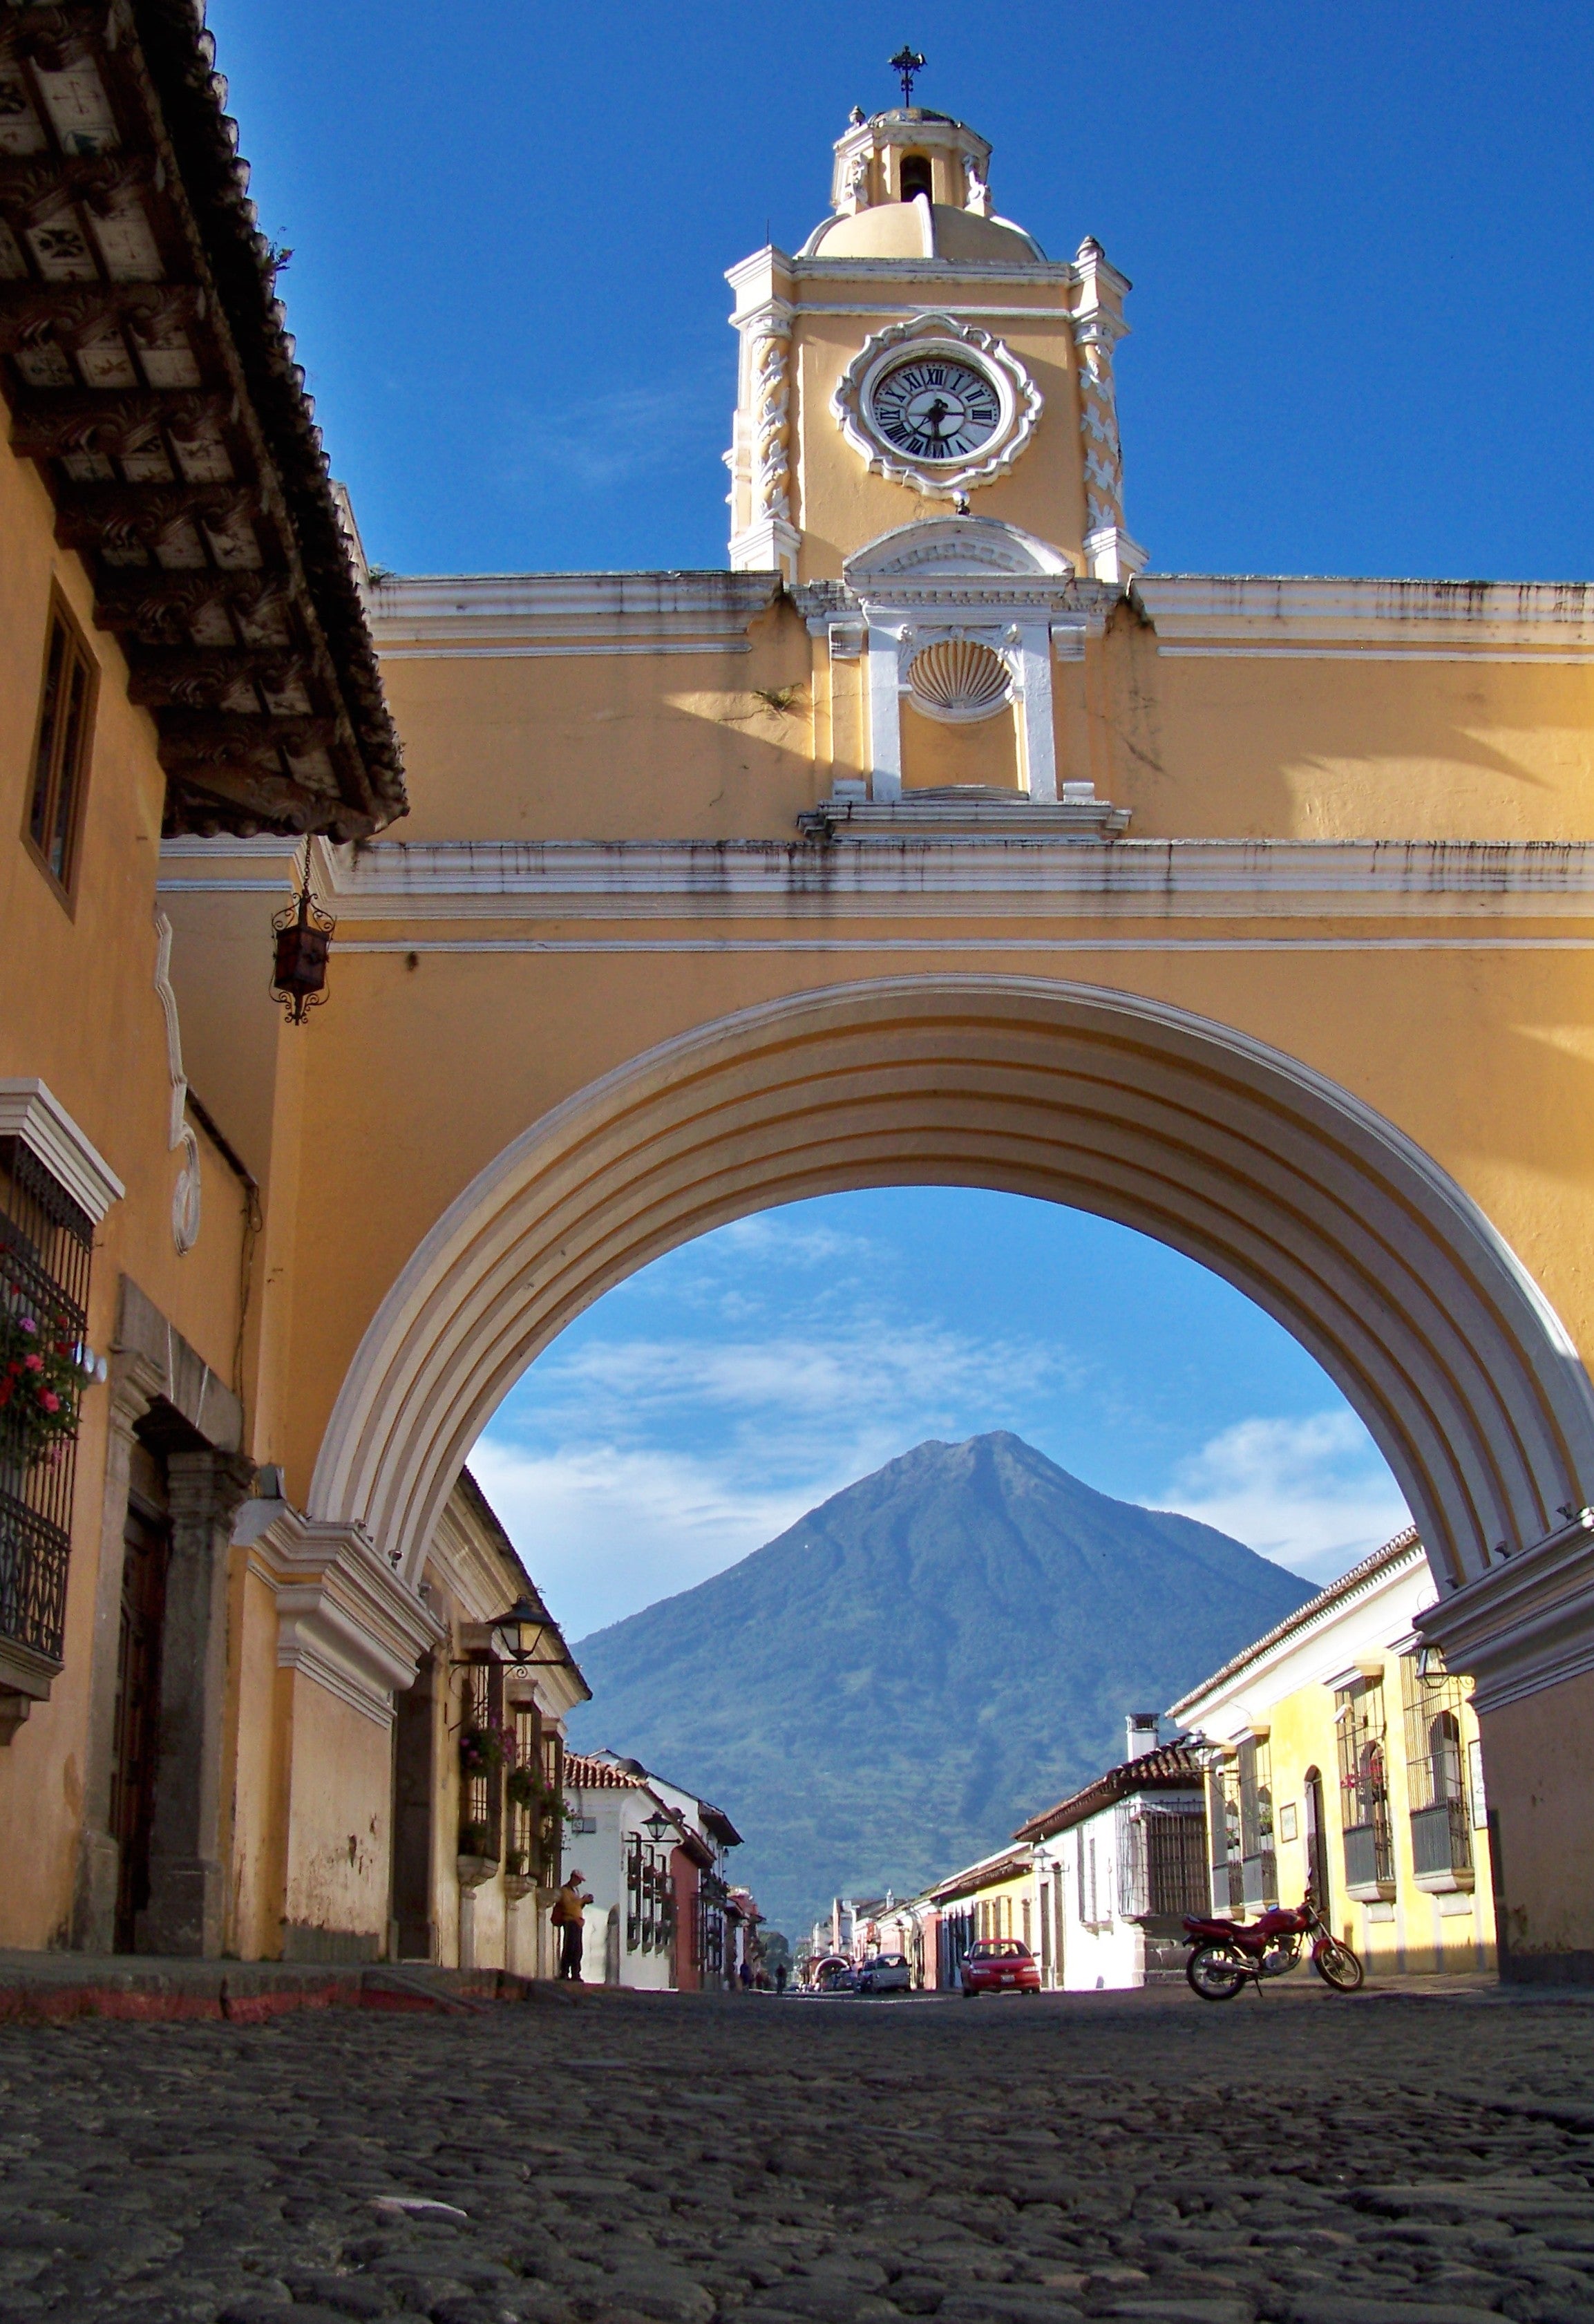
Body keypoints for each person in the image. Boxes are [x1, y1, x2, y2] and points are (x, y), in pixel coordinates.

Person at [551, 1870, 588, 1982]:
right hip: (570, 1921)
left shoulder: (575, 1891)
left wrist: (584, 1902)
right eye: (579, 1880)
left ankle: (576, 1973)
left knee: (578, 1949)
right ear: (573, 1878)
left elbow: (577, 1907)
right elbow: (568, 1906)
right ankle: (565, 1972)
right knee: (570, 1948)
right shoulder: (565, 1890)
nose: (580, 1883)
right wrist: (582, 1900)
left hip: (577, 1922)